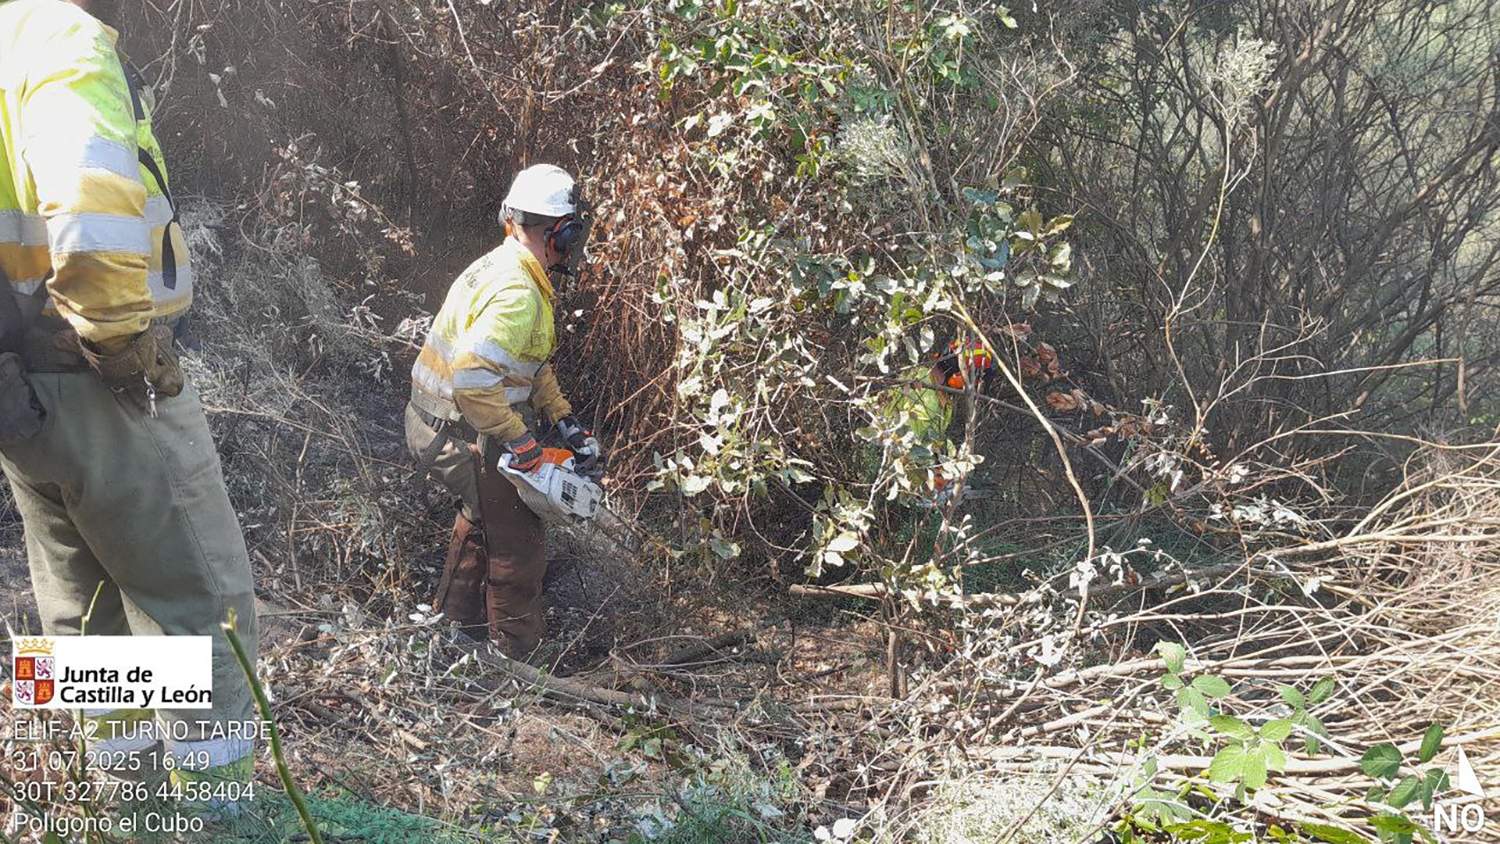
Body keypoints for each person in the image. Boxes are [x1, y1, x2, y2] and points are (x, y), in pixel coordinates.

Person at [0, 0, 257, 814]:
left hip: (18, 387)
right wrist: (118, 342)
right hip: (91, 372)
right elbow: (89, 201)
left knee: (83, 613)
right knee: (203, 608)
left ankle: (128, 807)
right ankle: (217, 822)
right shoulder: (61, 37)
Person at [407, 163, 603, 659]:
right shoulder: (518, 292)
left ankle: (453, 637)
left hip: (436, 422)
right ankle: (518, 666)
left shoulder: (507, 268)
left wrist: (563, 419)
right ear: (563, 232)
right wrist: (523, 443)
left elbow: (527, 363)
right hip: (459, 430)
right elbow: (473, 382)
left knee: (480, 521)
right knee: (518, 546)